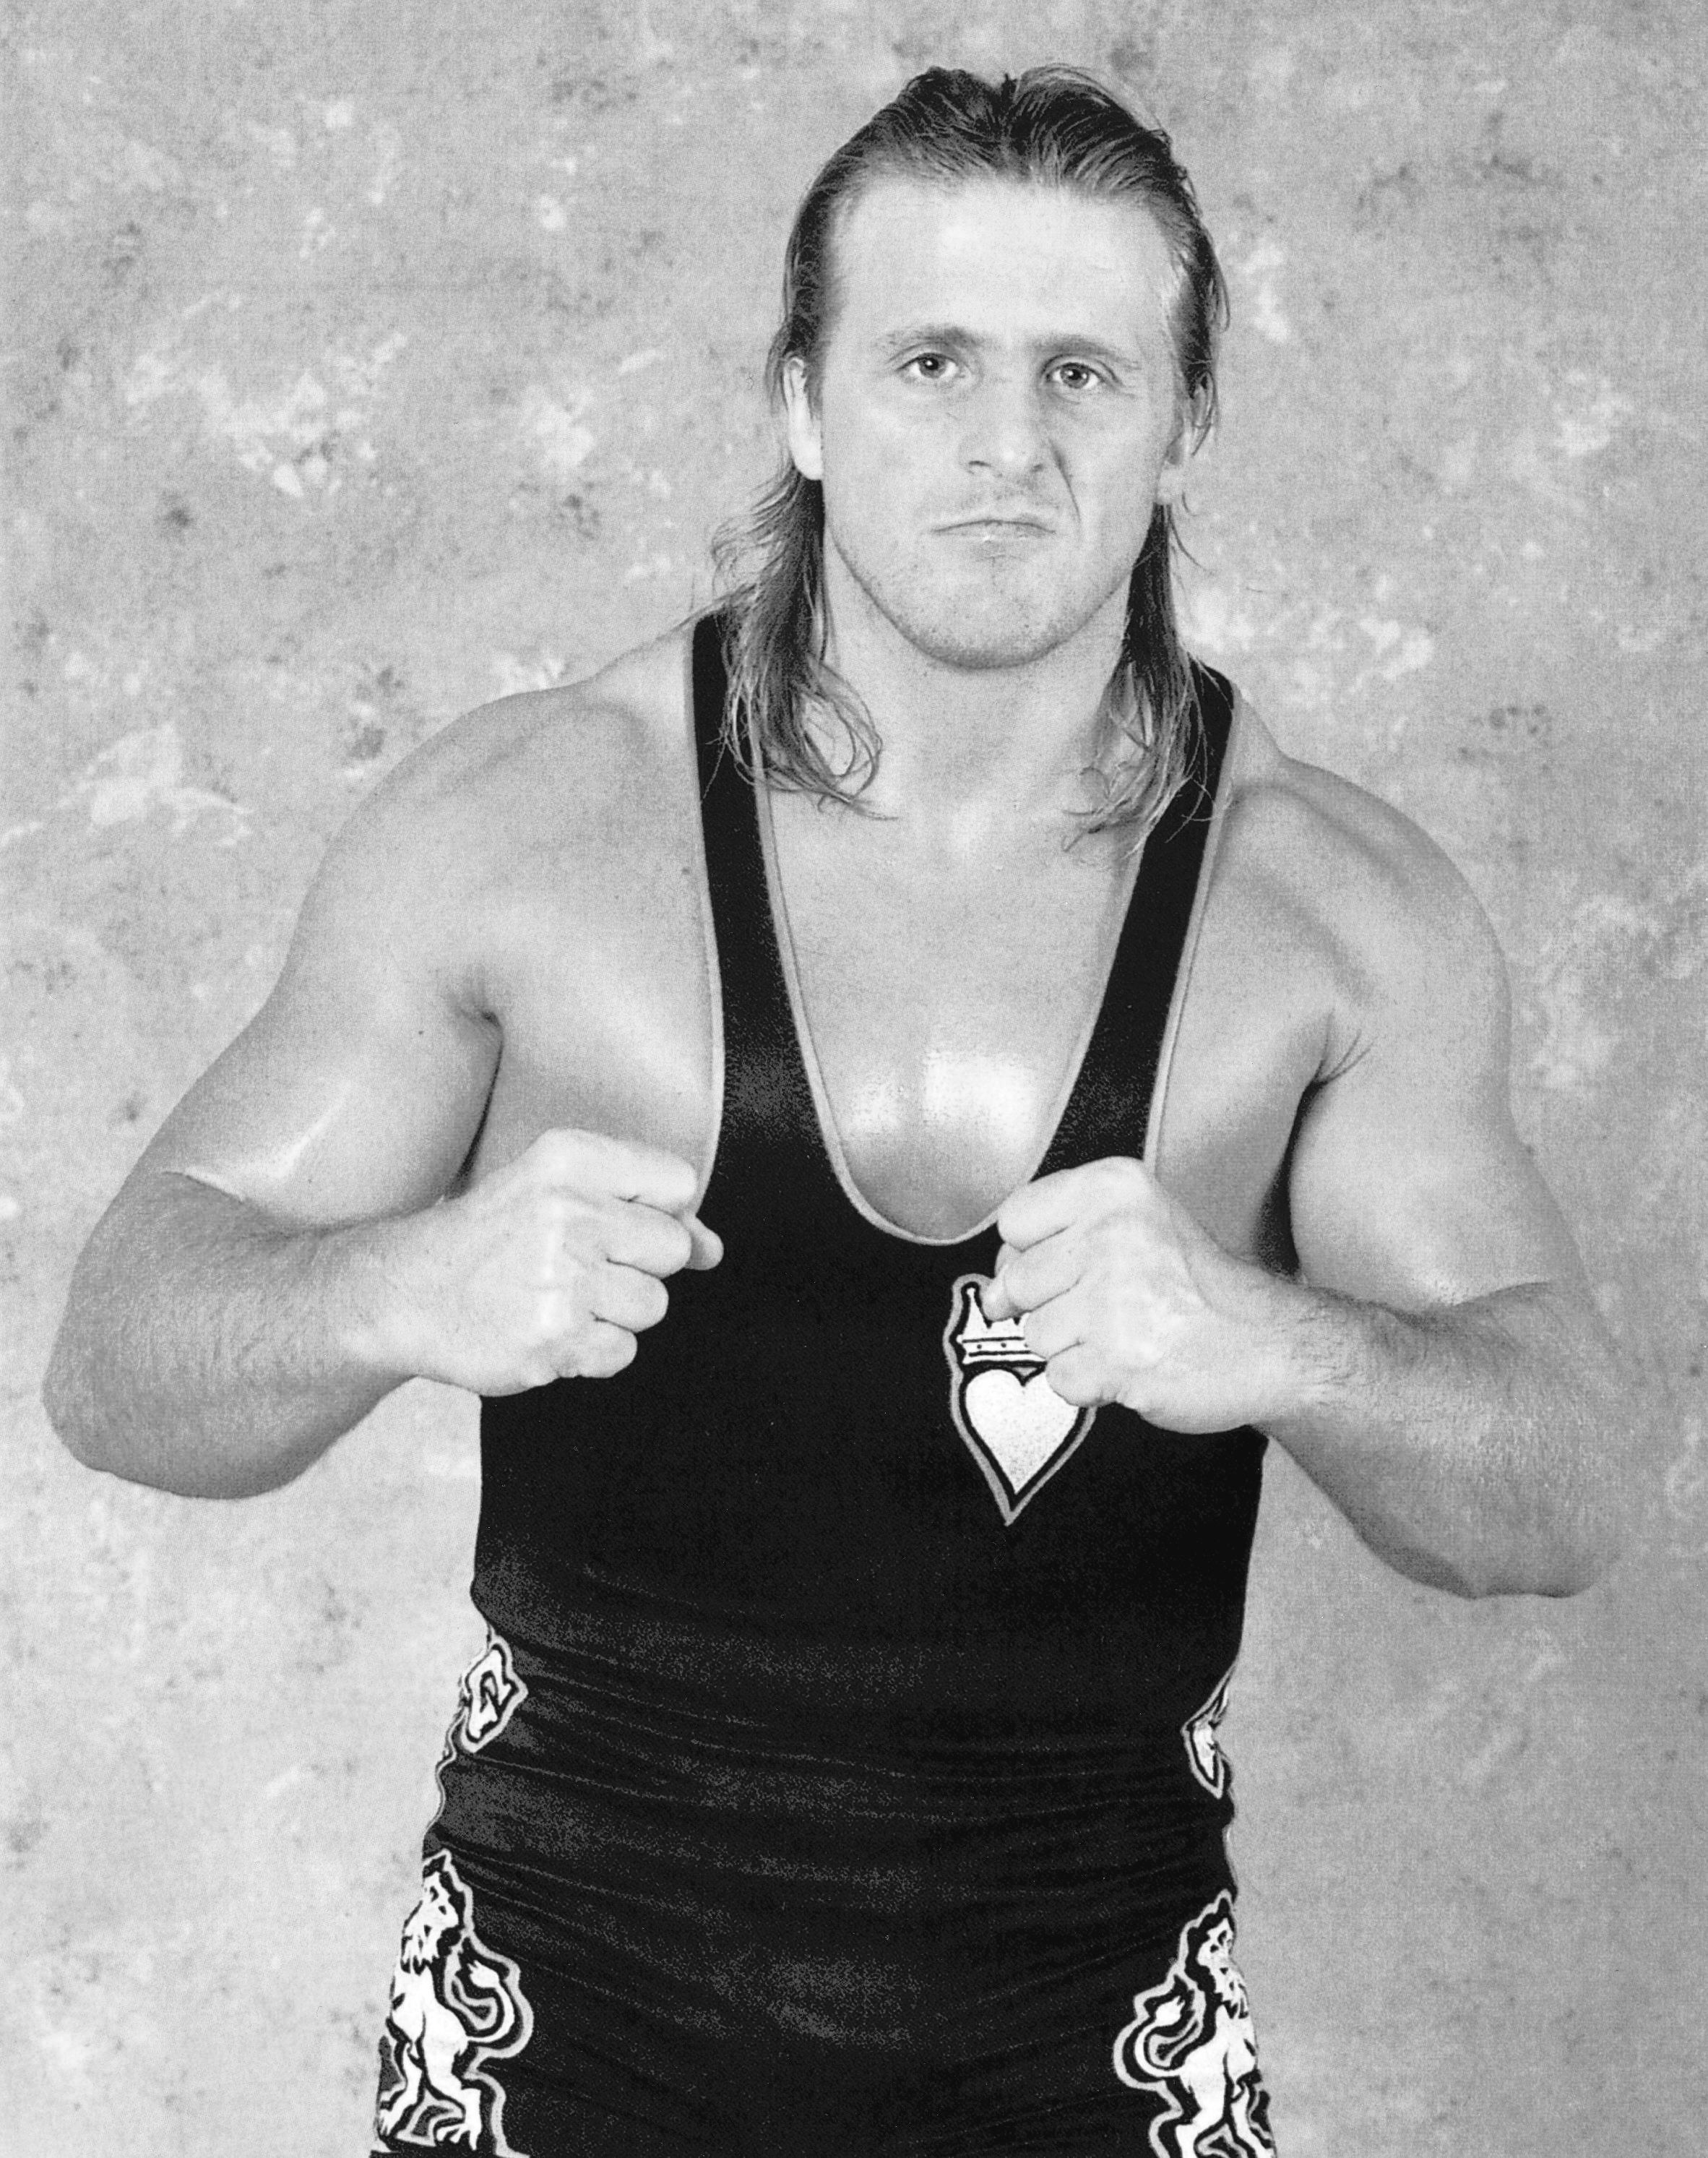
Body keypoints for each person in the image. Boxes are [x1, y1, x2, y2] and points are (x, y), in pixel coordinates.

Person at [44, 64, 1631, 2158]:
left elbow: (1563, 1497)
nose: (1007, 442)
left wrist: (1274, 1343)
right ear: (802, 403)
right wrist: (391, 1288)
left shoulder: (1330, 916)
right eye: (930, 361)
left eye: (1083, 372)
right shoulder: (526, 830)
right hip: (564, 2028)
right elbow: (115, 1365)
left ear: (1184, 426)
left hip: (1094, 2042)